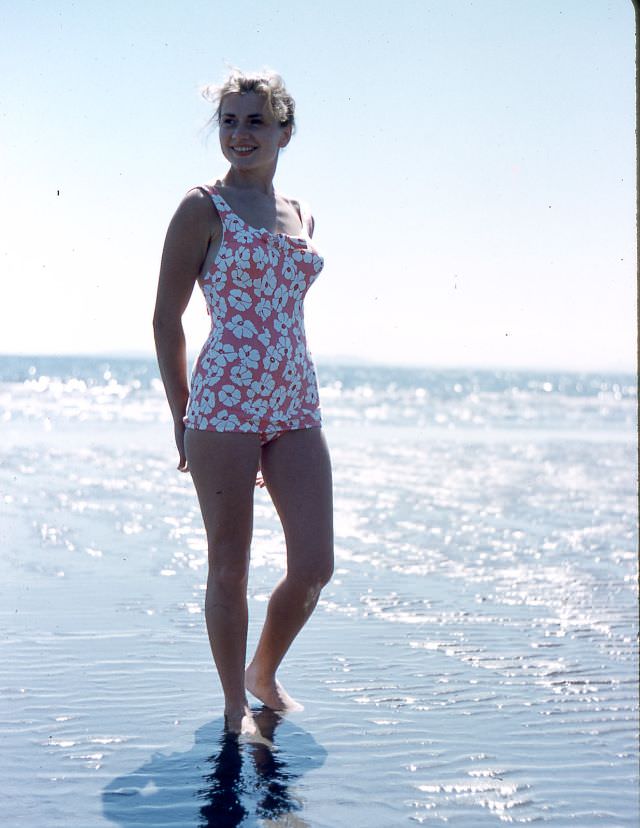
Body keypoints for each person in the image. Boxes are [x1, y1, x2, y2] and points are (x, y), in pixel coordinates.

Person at [153, 69, 334, 735]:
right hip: (223, 399)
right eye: (229, 121)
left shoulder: (302, 213)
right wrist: (182, 413)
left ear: (285, 130)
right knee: (229, 563)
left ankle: (265, 671)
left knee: (315, 565)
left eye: (256, 121)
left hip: (294, 399)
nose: (240, 133)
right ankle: (235, 706)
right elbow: (166, 321)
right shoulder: (201, 208)